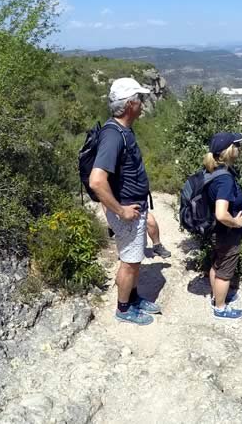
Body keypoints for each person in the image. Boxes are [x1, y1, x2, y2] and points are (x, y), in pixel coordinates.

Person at [89, 77, 161, 325]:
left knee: (134, 258)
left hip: (134, 209)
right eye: (139, 99)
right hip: (127, 212)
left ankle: (134, 298)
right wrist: (121, 211)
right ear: (130, 104)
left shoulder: (122, 130)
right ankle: (123, 309)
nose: (143, 103)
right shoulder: (113, 136)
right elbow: (97, 181)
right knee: (129, 262)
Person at [204, 131, 242, 320]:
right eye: (237, 146)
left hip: (215, 230)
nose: (239, 149)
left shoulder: (212, 170)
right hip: (226, 232)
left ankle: (216, 297)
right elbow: (221, 213)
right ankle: (220, 308)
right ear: (229, 151)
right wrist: (236, 222)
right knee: (225, 271)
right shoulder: (225, 179)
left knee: (218, 263)